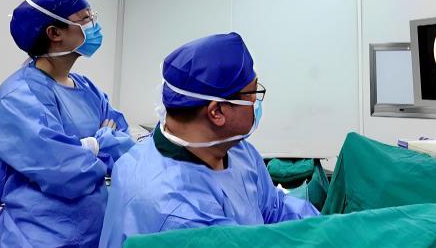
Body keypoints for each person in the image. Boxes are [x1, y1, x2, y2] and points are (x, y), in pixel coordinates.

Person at [99, 32, 319, 247]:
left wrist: (324, 229)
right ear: (217, 112)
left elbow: (275, 209)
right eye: (252, 93)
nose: (256, 101)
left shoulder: (237, 151)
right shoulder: (177, 213)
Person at [0, 0, 135, 248]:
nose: (94, 26)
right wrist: (102, 142)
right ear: (54, 33)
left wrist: (90, 146)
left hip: (92, 233)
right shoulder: (17, 97)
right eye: (85, 19)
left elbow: (125, 147)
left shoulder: (88, 89)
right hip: (36, 237)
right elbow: (66, 172)